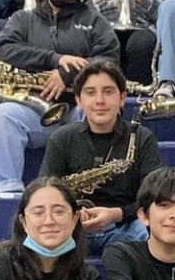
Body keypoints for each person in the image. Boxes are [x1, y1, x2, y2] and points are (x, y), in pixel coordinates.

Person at [0, 0, 119, 195]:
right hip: (34, 111)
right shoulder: (23, 18)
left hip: (77, 110)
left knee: (98, 111)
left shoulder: (94, 20)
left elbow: (110, 58)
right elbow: (5, 49)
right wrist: (54, 59)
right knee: (1, 116)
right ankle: (11, 191)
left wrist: (68, 74)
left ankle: (81, 190)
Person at [40, 60, 163, 252]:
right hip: (71, 226)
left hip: (124, 224)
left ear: (122, 98)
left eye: (108, 92)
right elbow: (44, 192)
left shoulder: (141, 138)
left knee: (144, 232)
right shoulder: (62, 138)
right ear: (79, 100)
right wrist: (73, 215)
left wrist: (118, 214)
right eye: (90, 93)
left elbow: (155, 195)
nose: (99, 101)